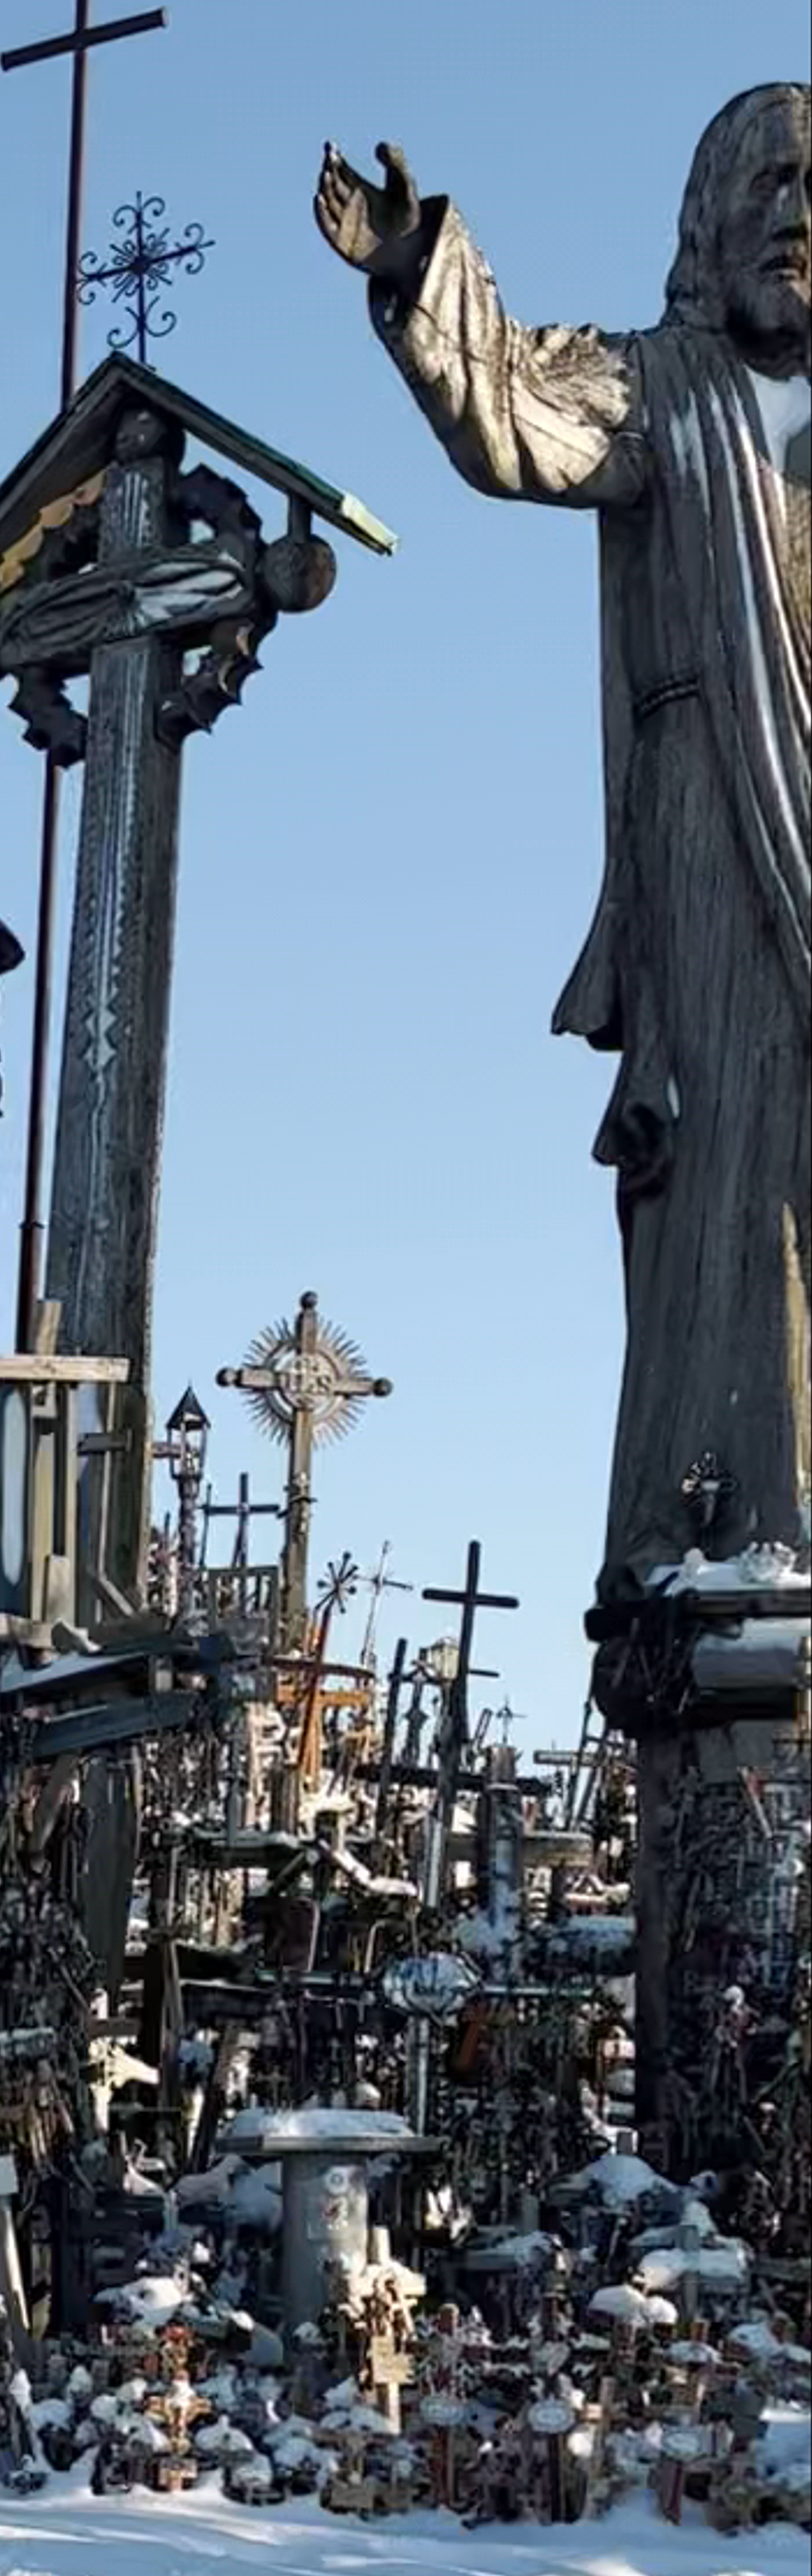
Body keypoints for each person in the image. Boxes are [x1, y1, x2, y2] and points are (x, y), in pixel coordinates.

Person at [315, 89, 809, 1607]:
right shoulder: (666, 387)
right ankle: (723, 1519)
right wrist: (421, 275)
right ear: (712, 222)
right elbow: (515, 416)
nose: (801, 215)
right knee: (737, 1179)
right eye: (773, 183)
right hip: (719, 826)